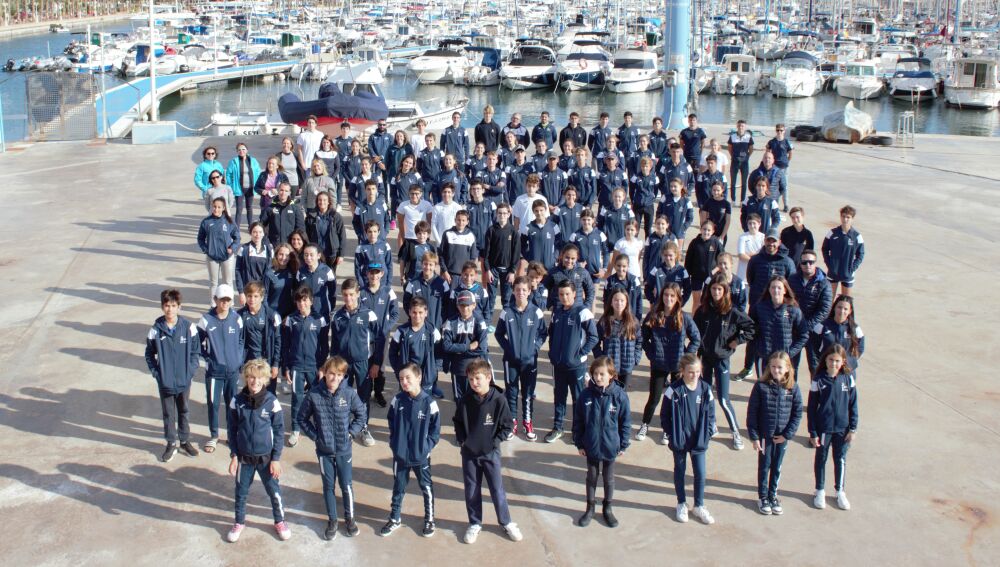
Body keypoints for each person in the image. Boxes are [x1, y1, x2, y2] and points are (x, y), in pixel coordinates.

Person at [296, 356, 366, 540]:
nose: (334, 378)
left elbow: (361, 415)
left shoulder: (349, 394)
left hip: (344, 450)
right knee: (328, 486)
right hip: (324, 451)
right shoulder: (314, 395)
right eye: (331, 374)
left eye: (339, 374)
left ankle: (350, 519)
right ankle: (333, 520)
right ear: (324, 373)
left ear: (343, 376)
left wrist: (351, 433)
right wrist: (315, 437)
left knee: (346, 485)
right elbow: (301, 419)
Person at [453, 359, 523, 543]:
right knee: (472, 489)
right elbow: (458, 421)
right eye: (470, 379)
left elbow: (508, 426)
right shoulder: (465, 400)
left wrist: (494, 442)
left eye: (478, 378)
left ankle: (506, 522)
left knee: (497, 489)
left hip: (491, 453)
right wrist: (462, 441)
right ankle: (475, 523)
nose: (474, 383)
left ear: (488, 377)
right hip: (469, 453)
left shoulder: (499, 400)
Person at [226, 359, 289, 543]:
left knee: (273, 491)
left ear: (265, 380)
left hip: (266, 459)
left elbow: (278, 431)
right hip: (244, 459)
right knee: (241, 492)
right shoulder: (236, 401)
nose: (255, 381)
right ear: (246, 378)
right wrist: (234, 455)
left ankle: (280, 521)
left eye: (259, 378)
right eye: (251, 377)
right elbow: (232, 430)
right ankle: (239, 522)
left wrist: (276, 458)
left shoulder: (271, 402)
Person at [380, 363, 441, 538]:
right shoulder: (397, 400)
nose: (404, 382)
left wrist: (426, 448)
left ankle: (429, 519)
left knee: (426, 487)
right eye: (401, 379)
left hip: (420, 456)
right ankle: (395, 518)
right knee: (398, 487)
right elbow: (391, 421)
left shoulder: (430, 403)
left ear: (419, 378)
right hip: (400, 456)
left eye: (408, 378)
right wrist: (395, 443)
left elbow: (435, 432)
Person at [694, 275, 755, 450]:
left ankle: (735, 431)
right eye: (713, 289)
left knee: (723, 398)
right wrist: (696, 354)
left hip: (722, 360)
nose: (716, 292)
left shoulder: (732, 312)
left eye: (719, 289)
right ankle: (711, 424)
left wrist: (737, 340)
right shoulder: (703, 311)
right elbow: (696, 333)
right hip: (705, 359)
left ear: (725, 291)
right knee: (706, 395)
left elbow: (751, 328)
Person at [638, 283, 701, 443]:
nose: (669, 298)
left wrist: (685, 358)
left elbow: (696, 338)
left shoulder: (684, 317)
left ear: (678, 298)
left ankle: (668, 428)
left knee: (675, 398)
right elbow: (642, 337)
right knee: (654, 397)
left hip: (677, 366)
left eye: (672, 296)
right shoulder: (654, 315)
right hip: (659, 364)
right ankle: (645, 424)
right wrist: (651, 353)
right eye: (666, 295)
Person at [573, 356, 631, 528]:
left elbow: (625, 422)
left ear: (611, 375)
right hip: (591, 445)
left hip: (610, 445)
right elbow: (578, 420)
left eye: (602, 374)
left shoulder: (620, 396)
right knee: (591, 477)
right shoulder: (585, 395)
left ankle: (608, 507)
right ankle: (590, 507)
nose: (598, 378)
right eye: (595, 374)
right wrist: (579, 442)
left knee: (608, 478)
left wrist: (623, 444)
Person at [145, 288, 201, 462]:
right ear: (162, 307)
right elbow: (149, 355)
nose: (170, 309)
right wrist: (157, 373)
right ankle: (171, 443)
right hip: (166, 382)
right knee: (169, 413)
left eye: (173, 305)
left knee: (184, 410)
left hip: (184, 380)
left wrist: (190, 371)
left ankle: (184, 440)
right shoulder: (156, 330)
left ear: (179, 307)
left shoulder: (189, 328)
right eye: (167, 305)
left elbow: (195, 352)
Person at [660, 354, 717, 525]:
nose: (695, 375)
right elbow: (664, 415)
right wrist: (671, 434)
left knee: (700, 473)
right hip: (680, 440)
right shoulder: (674, 390)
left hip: (698, 440)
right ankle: (681, 503)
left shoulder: (706, 389)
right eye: (691, 372)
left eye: (698, 372)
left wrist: (707, 433)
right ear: (682, 371)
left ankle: (699, 505)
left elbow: (712, 414)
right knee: (680, 470)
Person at [746, 350, 802, 515]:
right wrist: (754, 437)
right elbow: (752, 412)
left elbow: (797, 413)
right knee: (764, 466)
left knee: (776, 467)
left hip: (782, 437)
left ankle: (773, 495)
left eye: (779, 367)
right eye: (773, 367)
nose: (776, 370)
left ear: (787, 369)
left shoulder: (792, 387)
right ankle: (763, 496)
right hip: (765, 436)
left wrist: (787, 434)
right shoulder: (760, 386)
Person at [545, 280, 599, 443]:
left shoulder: (583, 312)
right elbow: (552, 334)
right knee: (559, 397)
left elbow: (594, 337)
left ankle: (577, 430)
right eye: (561, 294)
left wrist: (580, 354)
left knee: (578, 399)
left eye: (567, 294)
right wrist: (552, 353)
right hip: (559, 365)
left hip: (576, 366)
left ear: (575, 294)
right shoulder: (557, 311)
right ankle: (558, 427)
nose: (564, 297)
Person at [494, 277, 548, 442]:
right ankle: (513, 423)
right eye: (517, 290)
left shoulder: (536, 312)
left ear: (529, 292)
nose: (521, 293)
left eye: (524, 290)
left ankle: (527, 422)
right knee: (511, 392)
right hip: (510, 361)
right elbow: (498, 334)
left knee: (527, 393)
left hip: (529, 361)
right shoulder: (506, 311)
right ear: (513, 291)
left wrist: (535, 348)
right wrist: (509, 348)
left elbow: (543, 333)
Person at [808, 344, 859, 511]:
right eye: (831, 360)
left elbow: (853, 405)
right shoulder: (818, 379)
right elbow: (812, 407)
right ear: (826, 360)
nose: (834, 364)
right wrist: (813, 431)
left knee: (840, 459)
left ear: (843, 361)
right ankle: (820, 490)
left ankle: (840, 491)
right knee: (821, 458)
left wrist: (853, 428)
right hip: (824, 428)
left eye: (837, 361)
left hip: (842, 429)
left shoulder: (848, 378)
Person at [198, 284, 245, 454]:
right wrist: (208, 358)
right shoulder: (205, 320)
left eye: (228, 300)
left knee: (232, 405)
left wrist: (238, 359)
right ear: (215, 300)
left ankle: (232, 437)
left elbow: (241, 341)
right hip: (214, 373)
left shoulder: (237, 319)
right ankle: (213, 435)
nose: (224, 303)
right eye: (221, 300)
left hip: (232, 372)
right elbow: (197, 344)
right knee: (213, 404)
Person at [281, 287, 328, 447]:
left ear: (311, 300)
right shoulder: (290, 320)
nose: (302, 303)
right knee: (297, 399)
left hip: (314, 367)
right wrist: (286, 367)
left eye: (305, 300)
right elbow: (285, 345)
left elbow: (324, 346)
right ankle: (295, 429)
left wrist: (322, 367)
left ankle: (319, 427)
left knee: (317, 398)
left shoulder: (319, 319)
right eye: (299, 300)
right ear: (296, 302)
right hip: (296, 367)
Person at [748, 276, 809, 380]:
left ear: (785, 290)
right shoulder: (759, 307)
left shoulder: (793, 310)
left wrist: (790, 352)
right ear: (769, 289)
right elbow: (750, 330)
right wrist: (758, 347)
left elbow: (803, 335)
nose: (776, 290)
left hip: (784, 360)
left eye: (779, 288)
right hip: (764, 358)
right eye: (773, 287)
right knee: (764, 388)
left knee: (784, 391)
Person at [359, 264, 401, 412]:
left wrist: (386, 328)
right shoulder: (361, 292)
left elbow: (395, 313)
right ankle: (366, 391)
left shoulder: (388, 292)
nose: (374, 276)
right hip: (365, 335)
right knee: (367, 363)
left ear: (382, 274)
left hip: (382, 335)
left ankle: (378, 392)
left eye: (377, 273)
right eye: (371, 273)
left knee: (380, 366)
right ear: (367, 274)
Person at [789, 249, 833, 373]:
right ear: (800, 264)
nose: (808, 265)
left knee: (815, 366)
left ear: (815, 263)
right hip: (794, 330)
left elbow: (825, 309)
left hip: (813, 332)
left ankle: (815, 391)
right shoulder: (792, 280)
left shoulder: (824, 283)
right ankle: (791, 391)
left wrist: (806, 325)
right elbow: (786, 301)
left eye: (811, 262)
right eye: (804, 262)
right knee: (791, 365)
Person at [388, 298, 443, 396]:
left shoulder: (432, 331)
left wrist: (434, 369)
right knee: (406, 405)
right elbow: (392, 353)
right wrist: (399, 369)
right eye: (414, 312)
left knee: (423, 407)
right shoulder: (401, 332)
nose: (417, 316)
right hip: (407, 378)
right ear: (409, 312)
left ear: (426, 312)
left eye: (420, 312)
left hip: (426, 378)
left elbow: (440, 353)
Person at [442, 290, 489, 400]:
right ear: (457, 306)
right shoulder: (450, 322)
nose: (465, 309)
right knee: (459, 400)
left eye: (468, 305)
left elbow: (482, 348)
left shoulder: (480, 322)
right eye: (462, 305)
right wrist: (467, 347)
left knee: (476, 400)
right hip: (457, 368)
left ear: (474, 305)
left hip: (476, 369)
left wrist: (457, 350)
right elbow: (446, 346)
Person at [237, 282, 282, 394]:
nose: (252, 299)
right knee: (250, 391)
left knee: (268, 394)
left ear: (262, 297)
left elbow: (277, 341)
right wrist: (239, 361)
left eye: (256, 296)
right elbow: (237, 341)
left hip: (266, 362)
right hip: (249, 361)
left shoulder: (272, 316)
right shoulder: (239, 316)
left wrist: (276, 364)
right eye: (249, 296)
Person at [594, 290, 641, 389]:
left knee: (622, 395)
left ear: (627, 302)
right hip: (610, 367)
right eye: (616, 300)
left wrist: (635, 358)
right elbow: (595, 341)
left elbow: (639, 341)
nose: (619, 303)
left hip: (627, 366)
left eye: (622, 300)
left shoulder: (633, 322)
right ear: (611, 302)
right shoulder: (604, 322)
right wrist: (601, 358)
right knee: (609, 394)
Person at [809, 295, 866, 377]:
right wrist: (824, 359)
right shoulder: (821, 326)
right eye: (839, 307)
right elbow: (814, 346)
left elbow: (860, 348)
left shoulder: (855, 329)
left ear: (850, 311)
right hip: (827, 368)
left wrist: (851, 361)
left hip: (847, 371)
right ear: (834, 307)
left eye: (845, 309)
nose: (842, 311)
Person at [199, 198, 240, 306]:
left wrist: (232, 248)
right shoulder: (206, 222)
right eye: (214, 206)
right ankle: (213, 306)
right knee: (213, 283)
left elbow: (237, 238)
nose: (216, 209)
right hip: (212, 257)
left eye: (218, 207)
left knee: (228, 282)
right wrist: (205, 249)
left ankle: (230, 305)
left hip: (227, 257)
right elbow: (200, 238)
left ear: (224, 208)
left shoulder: (229, 221)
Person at [403, 251, 451, 339]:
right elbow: (406, 304)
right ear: (421, 264)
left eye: (431, 265)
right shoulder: (412, 284)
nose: (427, 267)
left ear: (435, 266)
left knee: (434, 352)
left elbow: (448, 305)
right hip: (416, 328)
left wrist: (440, 321)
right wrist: (414, 318)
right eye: (425, 264)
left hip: (436, 328)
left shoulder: (443, 284)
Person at [822, 205, 865, 298]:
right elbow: (824, 249)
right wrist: (829, 264)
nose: (845, 219)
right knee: (829, 299)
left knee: (846, 300)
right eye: (843, 216)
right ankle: (830, 313)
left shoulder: (857, 236)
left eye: (848, 217)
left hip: (847, 273)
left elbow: (860, 254)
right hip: (833, 272)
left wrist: (852, 268)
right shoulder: (832, 233)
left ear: (852, 219)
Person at [483, 202, 519, 312]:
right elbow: (486, 253)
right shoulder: (491, 230)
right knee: (491, 298)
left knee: (506, 299)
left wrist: (513, 271)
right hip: (493, 269)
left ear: (509, 214)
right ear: (496, 214)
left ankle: (506, 324)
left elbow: (516, 253)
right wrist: (488, 270)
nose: (502, 215)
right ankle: (488, 324)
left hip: (508, 270)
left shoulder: (513, 231)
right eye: (500, 213)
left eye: (504, 213)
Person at [745, 229, 796, 307]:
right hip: (757, 302)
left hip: (778, 304)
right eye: (768, 240)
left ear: (779, 242)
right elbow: (750, 280)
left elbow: (791, 284)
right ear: (764, 241)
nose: (771, 244)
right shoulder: (755, 260)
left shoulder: (788, 262)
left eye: (774, 241)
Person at [685, 222, 725, 308]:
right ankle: (694, 320)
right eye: (704, 229)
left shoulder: (716, 243)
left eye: (709, 230)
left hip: (711, 277)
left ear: (713, 231)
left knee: (707, 302)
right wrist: (687, 275)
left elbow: (722, 259)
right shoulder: (694, 242)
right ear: (700, 229)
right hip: (696, 277)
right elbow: (688, 260)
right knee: (696, 301)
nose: (706, 232)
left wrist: (713, 272)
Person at [544, 243, 595, 310]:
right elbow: (544, 288)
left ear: (577, 258)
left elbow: (590, 290)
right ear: (562, 255)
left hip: (577, 309)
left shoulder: (583, 272)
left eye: (573, 258)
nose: (569, 261)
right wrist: (549, 304)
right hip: (558, 310)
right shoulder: (553, 272)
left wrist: (586, 306)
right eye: (567, 257)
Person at [235, 223, 273, 306]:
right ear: (250, 233)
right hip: (248, 290)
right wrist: (241, 292)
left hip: (263, 291)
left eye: (260, 232)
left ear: (263, 233)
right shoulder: (243, 249)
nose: (257, 235)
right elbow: (238, 271)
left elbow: (271, 272)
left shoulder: (269, 250)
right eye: (254, 232)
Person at [306, 192, 345, 272]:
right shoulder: (311, 216)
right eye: (319, 200)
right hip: (316, 254)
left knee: (330, 276)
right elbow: (307, 235)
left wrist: (341, 255)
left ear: (328, 202)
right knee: (317, 275)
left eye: (324, 200)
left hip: (331, 253)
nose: (322, 202)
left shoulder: (336, 216)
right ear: (317, 202)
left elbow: (342, 236)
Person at [645, 242, 692, 309]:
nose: (668, 258)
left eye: (670, 255)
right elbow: (648, 287)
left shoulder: (682, 271)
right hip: (660, 307)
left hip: (675, 307)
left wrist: (681, 302)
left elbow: (688, 289)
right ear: (662, 255)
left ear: (675, 255)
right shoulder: (656, 269)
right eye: (665, 255)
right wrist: (653, 301)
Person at [225, 142, 261, 229]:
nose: (241, 151)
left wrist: (257, 184)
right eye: (239, 150)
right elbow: (228, 174)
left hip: (250, 188)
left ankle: (250, 227)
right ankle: (236, 228)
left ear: (247, 150)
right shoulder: (233, 162)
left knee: (249, 208)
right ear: (237, 151)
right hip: (239, 189)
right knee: (239, 209)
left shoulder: (253, 161)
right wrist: (231, 186)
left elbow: (258, 172)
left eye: (243, 149)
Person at [261, 182, 305, 248]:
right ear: (278, 191)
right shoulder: (270, 208)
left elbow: (301, 229)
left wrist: (296, 243)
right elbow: (261, 225)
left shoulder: (295, 208)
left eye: (286, 191)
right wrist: (266, 241)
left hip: (290, 245)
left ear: (289, 193)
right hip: (274, 244)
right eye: (281, 190)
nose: (283, 193)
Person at [522, 199, 561, 272]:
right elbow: (522, 245)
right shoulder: (528, 228)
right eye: (536, 211)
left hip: (549, 266)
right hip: (534, 267)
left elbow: (558, 244)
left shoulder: (554, 226)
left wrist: (555, 257)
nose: (539, 213)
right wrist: (529, 257)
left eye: (541, 210)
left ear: (546, 210)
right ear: (533, 211)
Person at [570, 209, 609, 282]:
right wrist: (577, 264)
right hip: (580, 271)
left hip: (595, 273)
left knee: (593, 293)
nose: (586, 222)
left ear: (593, 220)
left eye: (588, 219)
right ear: (580, 220)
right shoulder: (575, 235)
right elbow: (569, 253)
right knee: (581, 293)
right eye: (584, 219)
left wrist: (604, 269)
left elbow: (606, 252)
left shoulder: (600, 235)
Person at [657, 178, 695, 251]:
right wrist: (661, 225)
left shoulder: (686, 201)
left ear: (681, 186)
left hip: (679, 233)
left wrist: (683, 228)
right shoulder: (665, 197)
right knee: (665, 252)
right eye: (671, 186)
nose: (673, 188)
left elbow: (690, 217)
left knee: (677, 253)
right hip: (666, 232)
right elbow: (659, 212)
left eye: (675, 186)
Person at [603, 254, 643, 320]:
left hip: (630, 317)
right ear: (615, 265)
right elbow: (606, 301)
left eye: (624, 266)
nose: (621, 269)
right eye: (618, 266)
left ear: (628, 266)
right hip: (614, 317)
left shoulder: (635, 281)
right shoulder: (609, 281)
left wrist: (638, 319)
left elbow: (639, 301)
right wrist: (607, 316)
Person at [355, 221, 392, 289]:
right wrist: (362, 284)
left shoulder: (385, 246)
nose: (372, 234)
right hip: (366, 282)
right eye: (370, 231)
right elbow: (357, 268)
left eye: (375, 231)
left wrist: (388, 283)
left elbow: (389, 265)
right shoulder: (360, 248)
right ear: (366, 233)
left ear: (379, 232)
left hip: (382, 282)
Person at [396, 183, 434, 250]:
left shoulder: (427, 205)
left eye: (417, 193)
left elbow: (430, 222)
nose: (414, 196)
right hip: (409, 237)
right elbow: (400, 223)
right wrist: (403, 237)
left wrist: (428, 236)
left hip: (422, 237)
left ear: (421, 194)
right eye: (412, 193)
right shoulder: (403, 205)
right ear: (409, 194)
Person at [765, 124, 794, 211]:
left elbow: (790, 153)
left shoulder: (787, 142)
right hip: (774, 167)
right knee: (772, 186)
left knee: (784, 186)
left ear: (784, 131)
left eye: (781, 130)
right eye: (778, 130)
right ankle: (772, 203)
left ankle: (786, 205)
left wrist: (787, 161)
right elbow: (768, 152)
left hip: (784, 167)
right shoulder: (771, 142)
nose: (779, 132)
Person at [399, 221, 436, 287]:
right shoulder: (410, 245)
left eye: (424, 233)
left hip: (426, 279)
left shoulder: (431, 247)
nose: (422, 236)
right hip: (411, 278)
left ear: (428, 234)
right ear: (416, 234)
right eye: (419, 233)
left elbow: (433, 264)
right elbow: (402, 261)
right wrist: (402, 275)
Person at [727, 119, 754, 204]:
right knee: (733, 182)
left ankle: (742, 200)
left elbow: (751, 149)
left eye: (742, 126)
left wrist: (747, 157)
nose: (740, 127)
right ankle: (733, 200)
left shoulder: (748, 137)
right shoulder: (732, 136)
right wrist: (733, 156)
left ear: (745, 127)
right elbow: (729, 148)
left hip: (744, 162)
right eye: (739, 126)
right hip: (734, 162)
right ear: (736, 126)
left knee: (744, 182)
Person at [465, 181, 495, 254]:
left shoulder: (491, 204)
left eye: (478, 188)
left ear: (483, 190)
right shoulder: (467, 206)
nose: (476, 191)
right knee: (473, 264)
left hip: (488, 241)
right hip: (473, 241)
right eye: (473, 189)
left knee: (486, 264)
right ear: (471, 191)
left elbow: (496, 222)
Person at [737, 214, 764, 281]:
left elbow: (763, 254)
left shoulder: (763, 237)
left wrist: (749, 255)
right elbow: (741, 255)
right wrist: (755, 259)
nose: (752, 226)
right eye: (750, 223)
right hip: (743, 272)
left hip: (758, 271)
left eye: (754, 223)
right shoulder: (742, 237)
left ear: (759, 224)